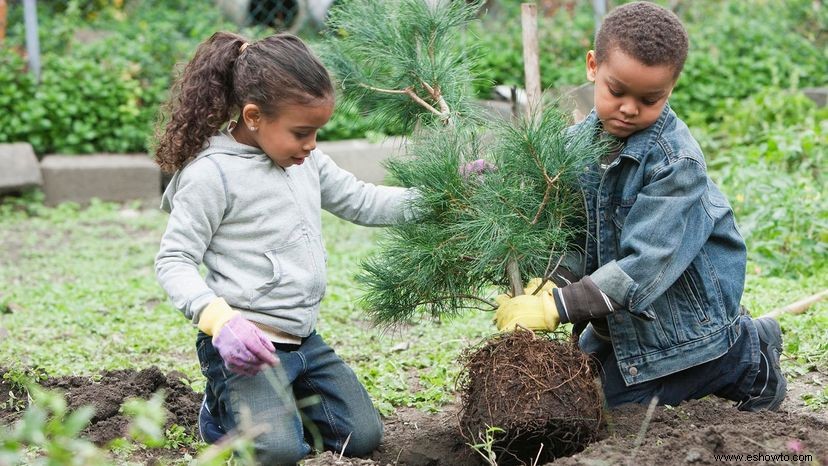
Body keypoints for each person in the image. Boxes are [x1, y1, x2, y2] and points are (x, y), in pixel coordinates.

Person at [494, 1, 786, 412]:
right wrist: (554, 280)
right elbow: (578, 235)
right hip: (623, 317)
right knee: (578, 393)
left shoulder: (675, 164)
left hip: (677, 317)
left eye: (650, 99)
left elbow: (646, 264)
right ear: (593, 66)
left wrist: (558, 307)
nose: (630, 108)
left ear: (671, 88)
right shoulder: (575, 147)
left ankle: (744, 358)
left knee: (609, 409)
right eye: (617, 92)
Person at [153, 32, 419, 463]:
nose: (311, 144)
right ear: (254, 116)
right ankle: (221, 415)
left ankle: (278, 404)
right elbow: (174, 260)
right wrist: (221, 321)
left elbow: (364, 201)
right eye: (301, 132)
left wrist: (442, 196)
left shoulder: (305, 160)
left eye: (316, 132)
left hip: (303, 341)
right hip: (247, 346)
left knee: (363, 436)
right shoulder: (211, 175)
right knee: (277, 453)